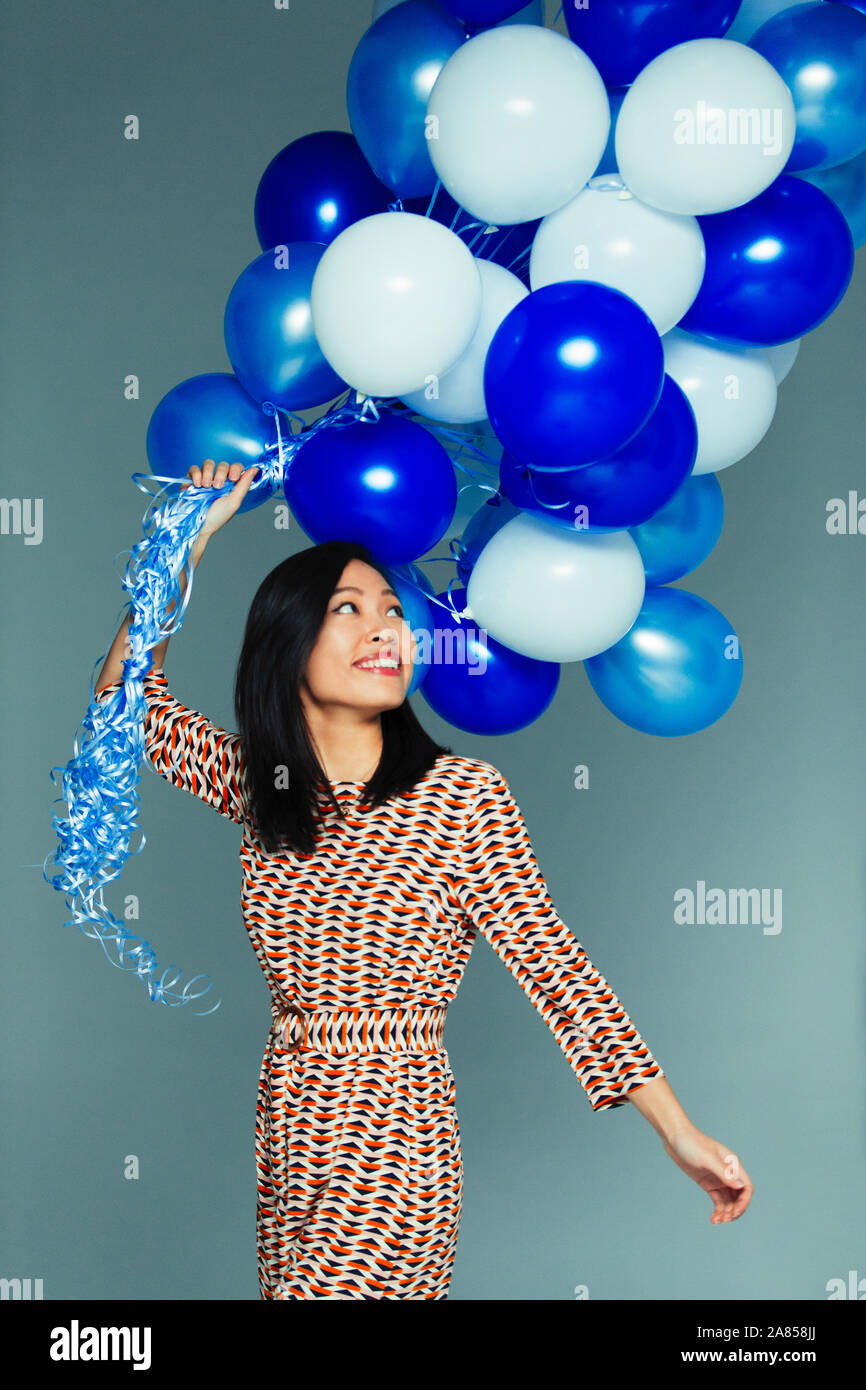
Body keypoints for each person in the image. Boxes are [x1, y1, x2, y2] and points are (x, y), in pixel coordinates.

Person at [95, 458, 753, 1300]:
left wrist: (680, 1132)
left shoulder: (459, 799)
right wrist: (186, 538)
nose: (385, 628)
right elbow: (119, 694)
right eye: (349, 609)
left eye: (394, 612)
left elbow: (557, 968)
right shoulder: (269, 790)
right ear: (285, 644)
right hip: (289, 1122)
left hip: (395, 1130)